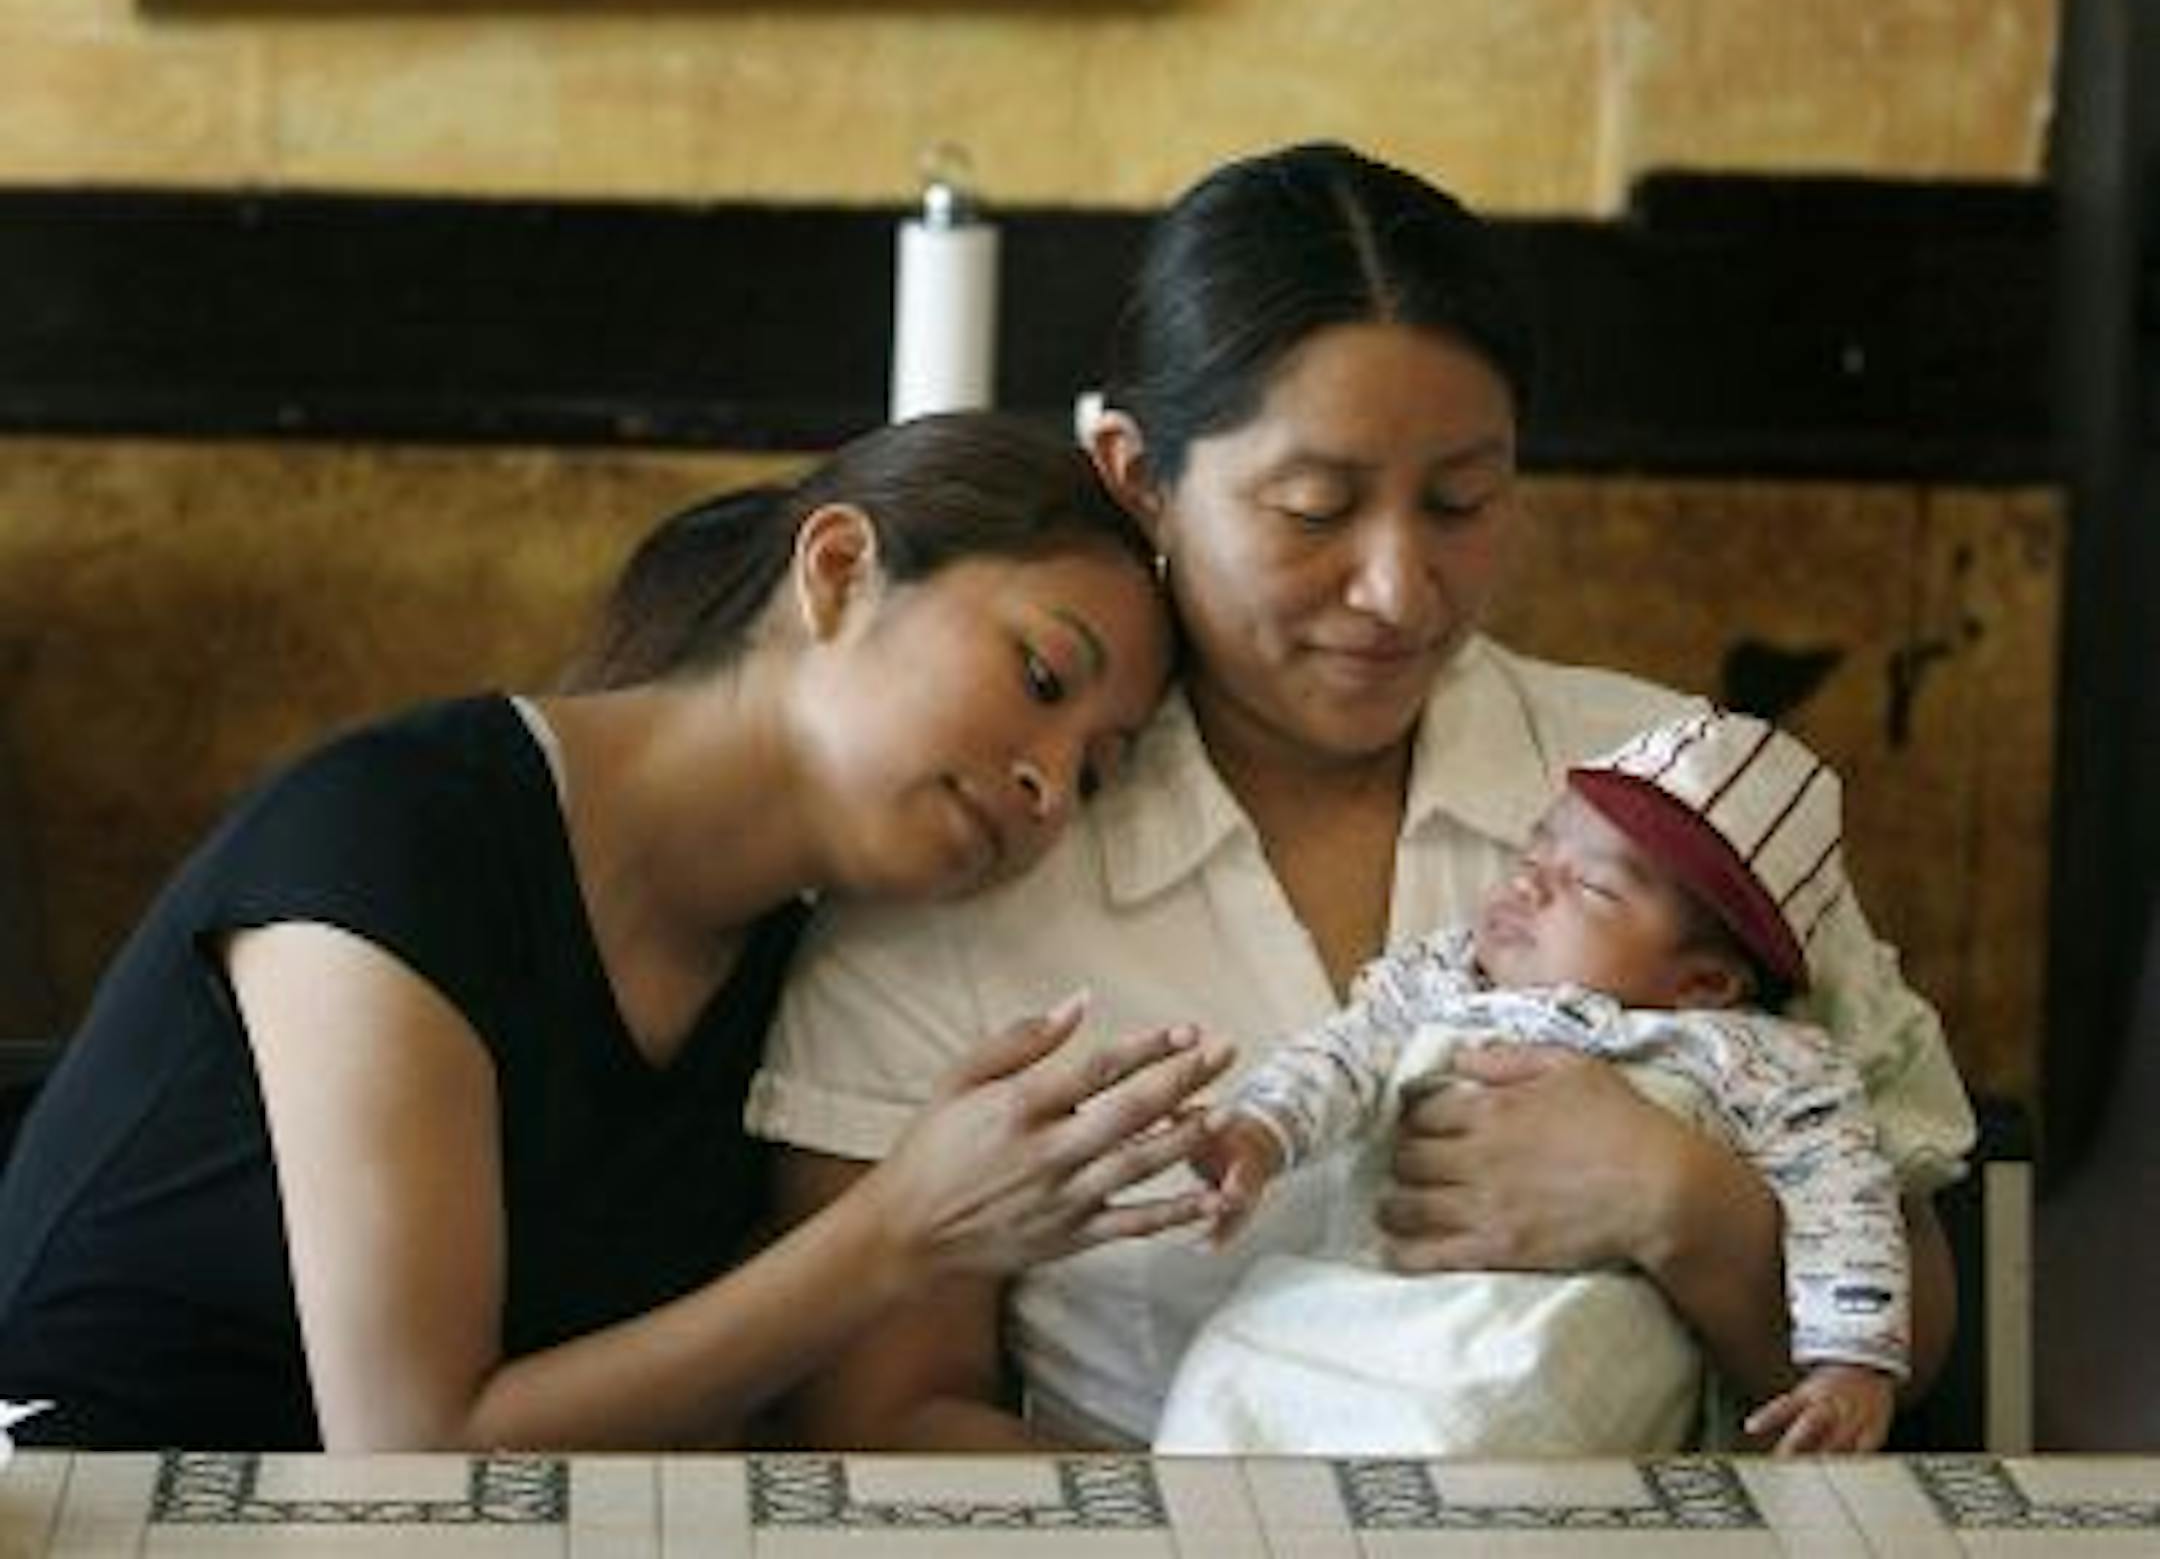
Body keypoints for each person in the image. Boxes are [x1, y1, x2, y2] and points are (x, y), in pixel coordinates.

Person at [752, 140, 1975, 1450]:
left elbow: (1920, 1331)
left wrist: (1684, 1203)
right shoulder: (979, 852)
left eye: (1462, 500)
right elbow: (888, 1421)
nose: (1399, 587)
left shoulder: (1685, 788)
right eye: (1312, 506)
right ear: (1135, 471)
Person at [0, 415, 1229, 1450]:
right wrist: (897, 1230)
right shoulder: (399, 832)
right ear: (841, 570)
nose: (1051, 792)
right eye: (1044, 679)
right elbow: (413, 1453)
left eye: (1100, 775)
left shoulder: (797, 967)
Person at [1156, 702, 1905, 1458]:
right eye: (1532, 856)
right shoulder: (1444, 984)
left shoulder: (1761, 1060)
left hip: (1564, 1329)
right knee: (1233, 1360)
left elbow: (1845, 1200)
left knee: (1487, 1422)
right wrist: (1259, 1133)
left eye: (1594, 888)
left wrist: (1851, 1357)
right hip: (1375, 1293)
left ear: (1705, 981)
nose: (1530, 886)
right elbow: (1343, 1055)